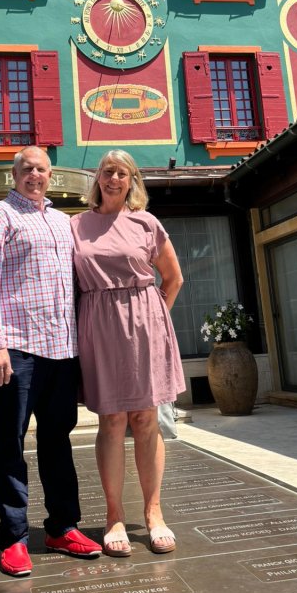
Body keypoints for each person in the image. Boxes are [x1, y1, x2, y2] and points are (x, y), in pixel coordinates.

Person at [0, 146, 102, 577]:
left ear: (50, 175)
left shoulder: (64, 222)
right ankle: (13, 538)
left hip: (62, 349)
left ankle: (62, 527)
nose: (35, 175)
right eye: (27, 169)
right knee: (9, 443)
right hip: (18, 350)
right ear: (14, 173)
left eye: (42, 169)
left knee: (58, 442)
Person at [71, 150, 185, 558]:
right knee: (112, 420)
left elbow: (173, 278)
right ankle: (113, 514)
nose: (113, 178)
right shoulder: (75, 225)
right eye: (106, 172)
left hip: (144, 327)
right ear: (97, 179)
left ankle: (153, 512)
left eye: (121, 173)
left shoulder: (146, 222)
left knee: (145, 417)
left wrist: (155, 321)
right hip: (99, 327)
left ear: (132, 180)